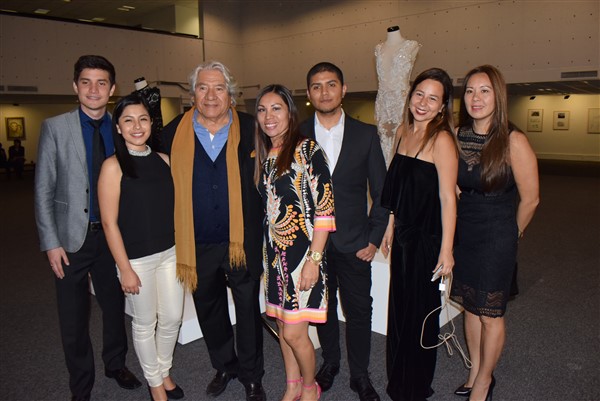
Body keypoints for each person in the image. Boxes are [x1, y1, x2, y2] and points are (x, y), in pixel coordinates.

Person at [34, 55, 141, 401]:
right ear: (75, 86)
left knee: (114, 307)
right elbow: (43, 190)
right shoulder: (55, 127)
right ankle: (81, 385)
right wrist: (51, 242)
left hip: (113, 238)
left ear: (112, 89)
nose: (93, 90)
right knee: (73, 318)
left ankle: (116, 364)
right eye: (86, 82)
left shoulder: (123, 127)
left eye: (101, 83)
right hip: (70, 240)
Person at [161, 60, 266, 401]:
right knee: (209, 310)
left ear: (230, 94)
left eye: (219, 88)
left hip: (242, 242)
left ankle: (252, 376)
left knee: (248, 311)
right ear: (193, 94)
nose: (210, 96)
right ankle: (224, 366)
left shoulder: (253, 128)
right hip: (197, 243)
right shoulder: (171, 133)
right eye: (203, 88)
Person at [449, 65, 539, 401]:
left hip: (497, 235)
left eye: (484, 90)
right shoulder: (456, 135)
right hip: (465, 234)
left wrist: (513, 234)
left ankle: (485, 381)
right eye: (470, 91)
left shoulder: (513, 140)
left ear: (498, 96)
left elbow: (531, 199)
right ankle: (475, 370)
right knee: (470, 308)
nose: (476, 98)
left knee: (490, 314)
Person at [300, 62, 389, 401]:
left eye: (331, 84)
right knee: (321, 309)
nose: (324, 92)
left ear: (344, 89)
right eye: (317, 86)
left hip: (355, 243)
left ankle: (360, 375)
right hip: (312, 245)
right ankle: (331, 362)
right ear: (309, 94)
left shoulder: (366, 134)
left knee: (359, 311)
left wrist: (374, 238)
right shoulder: (297, 134)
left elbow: (382, 192)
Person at [97, 93, 185, 401]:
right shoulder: (112, 166)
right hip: (136, 260)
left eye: (143, 119)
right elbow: (109, 223)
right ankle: (155, 383)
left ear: (151, 123)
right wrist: (125, 269)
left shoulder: (164, 161)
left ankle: (163, 370)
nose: (137, 126)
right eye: (128, 120)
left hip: (170, 253)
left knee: (172, 318)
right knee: (145, 323)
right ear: (118, 127)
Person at [380, 68, 459, 401]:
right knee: (399, 310)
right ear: (410, 95)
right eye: (419, 94)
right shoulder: (402, 131)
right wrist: (389, 226)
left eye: (433, 98)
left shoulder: (441, 140)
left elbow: (448, 198)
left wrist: (447, 250)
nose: (423, 103)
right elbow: (395, 187)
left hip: (427, 241)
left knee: (420, 315)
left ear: (442, 106)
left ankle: (414, 388)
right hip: (402, 238)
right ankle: (398, 381)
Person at [255, 84, 336, 401]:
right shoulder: (266, 157)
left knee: (294, 331)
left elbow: (325, 209)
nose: (268, 116)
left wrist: (314, 261)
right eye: (262, 110)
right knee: (281, 326)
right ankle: (292, 386)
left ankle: (310, 387)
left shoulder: (308, 150)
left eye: (276, 108)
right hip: (274, 259)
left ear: (290, 112)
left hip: (303, 258)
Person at [374, 25, 421, 165]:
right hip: (382, 102)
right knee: (382, 139)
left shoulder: (411, 45)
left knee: (401, 138)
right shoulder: (378, 48)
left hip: (402, 101)